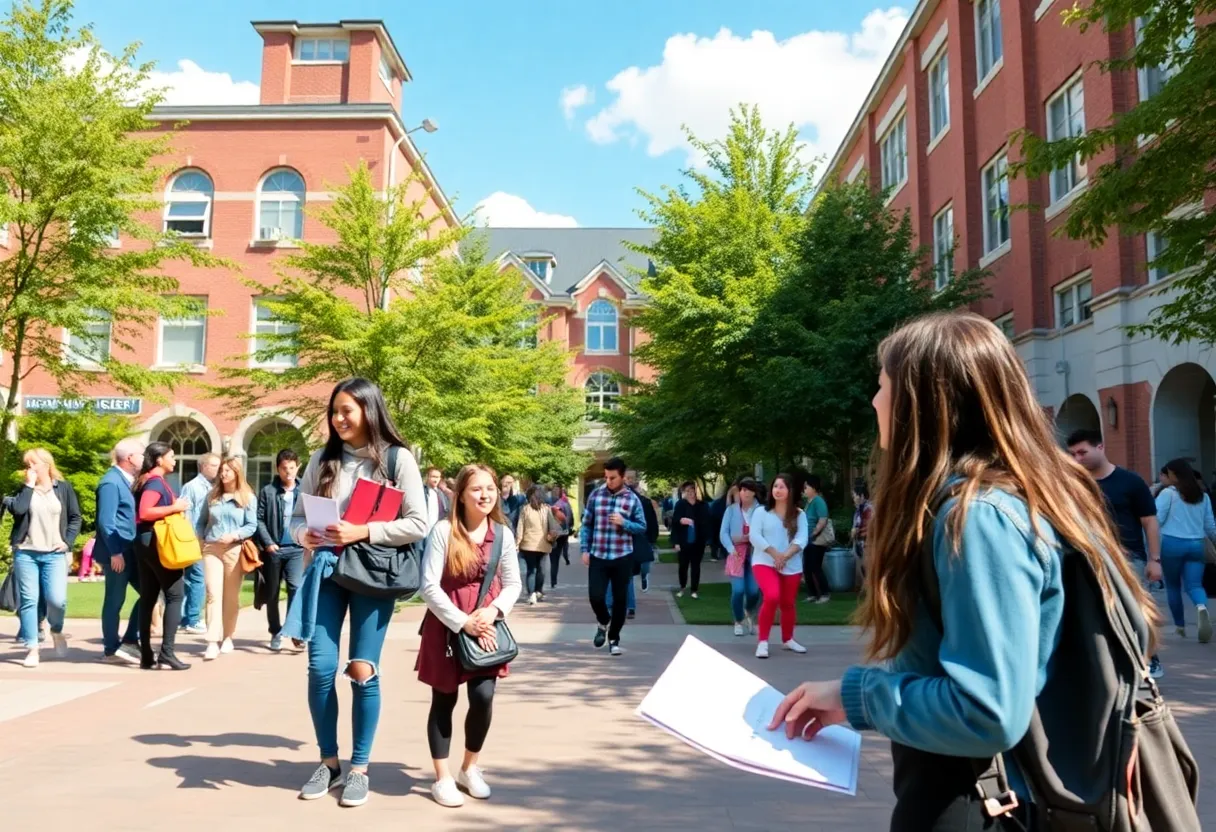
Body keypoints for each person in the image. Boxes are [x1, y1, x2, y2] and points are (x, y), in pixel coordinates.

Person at [768, 312, 1159, 830]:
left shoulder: (978, 517)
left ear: (922, 404)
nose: (874, 401)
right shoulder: (1019, 498)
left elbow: (986, 709)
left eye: (883, 386)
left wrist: (857, 694)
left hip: (987, 799)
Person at [283, 377, 427, 809]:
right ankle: (329, 763)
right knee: (320, 667)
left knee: (363, 669)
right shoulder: (321, 459)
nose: (339, 418)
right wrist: (303, 535)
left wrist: (364, 529)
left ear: (370, 409)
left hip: (373, 574)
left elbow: (418, 523)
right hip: (325, 572)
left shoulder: (398, 460)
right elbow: (295, 517)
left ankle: (360, 768)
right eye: (334, 411)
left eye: (347, 410)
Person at [417, 464, 522, 808]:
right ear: (460, 494)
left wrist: (493, 613)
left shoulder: (502, 534)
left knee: (483, 697)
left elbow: (513, 583)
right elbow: (429, 586)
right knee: (443, 700)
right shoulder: (443, 532)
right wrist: (462, 622)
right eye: (477, 489)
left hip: (485, 628)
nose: (485, 495)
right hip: (447, 625)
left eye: (490, 488)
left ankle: (469, 768)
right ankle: (442, 777)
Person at [1067, 428, 1164, 678]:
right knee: (1097, 613)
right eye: (1073, 454)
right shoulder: (1074, 483)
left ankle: (1150, 657)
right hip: (1088, 558)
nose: (1077, 459)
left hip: (1130, 558)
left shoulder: (1130, 481)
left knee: (1138, 610)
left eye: (1082, 452)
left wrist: (1155, 560)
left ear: (1100, 448)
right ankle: (1111, 665)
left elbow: (1149, 521)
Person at [7, 448, 83, 669]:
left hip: (54, 554)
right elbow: (19, 510)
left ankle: (57, 629)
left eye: (33, 464)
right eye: (27, 464)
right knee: (29, 601)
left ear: (46, 465)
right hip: (26, 552)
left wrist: (67, 541)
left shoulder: (64, 488)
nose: (28, 468)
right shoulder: (24, 490)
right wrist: (29, 486)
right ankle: (32, 647)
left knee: (57, 601)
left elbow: (75, 517)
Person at [133, 442, 193, 671]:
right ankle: (167, 652)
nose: (175, 460)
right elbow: (145, 512)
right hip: (157, 542)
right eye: (171, 456)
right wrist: (175, 507)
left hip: (145, 541)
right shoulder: (155, 483)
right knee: (175, 595)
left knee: (148, 597)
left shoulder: (144, 479)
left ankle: (147, 655)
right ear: (159, 460)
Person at [580, 456, 646, 656]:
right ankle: (603, 621)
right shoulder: (596, 496)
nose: (608, 481)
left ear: (623, 477)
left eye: (613, 478)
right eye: (606, 477)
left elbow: (642, 527)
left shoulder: (632, 499)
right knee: (596, 596)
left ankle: (614, 638)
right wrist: (585, 549)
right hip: (599, 554)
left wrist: (624, 523)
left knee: (620, 600)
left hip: (622, 555)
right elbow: (587, 523)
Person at [200, 457, 257, 661]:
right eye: (222, 470)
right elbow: (201, 521)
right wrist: (200, 541)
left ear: (236, 473)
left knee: (231, 597)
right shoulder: (212, 496)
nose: (223, 474)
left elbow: (252, 525)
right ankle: (212, 641)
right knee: (213, 594)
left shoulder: (248, 498)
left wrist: (235, 535)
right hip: (212, 549)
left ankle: (228, 637)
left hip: (234, 550)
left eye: (227, 470)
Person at [1155, 458, 1216, 643]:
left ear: (1175, 474)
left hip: (1171, 544)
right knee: (1195, 585)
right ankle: (1201, 607)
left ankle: (1180, 627)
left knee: (1173, 586)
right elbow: (1210, 525)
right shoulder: (1202, 496)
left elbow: (1156, 520)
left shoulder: (1168, 494)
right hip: (1196, 545)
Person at [96, 438, 144, 665]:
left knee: (153, 592)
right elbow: (106, 522)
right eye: (141, 454)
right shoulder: (111, 483)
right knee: (115, 600)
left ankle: (129, 641)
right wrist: (115, 553)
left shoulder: (127, 481)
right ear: (130, 458)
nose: (144, 458)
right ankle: (110, 649)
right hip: (118, 553)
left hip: (130, 550)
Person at [749, 474, 808, 659]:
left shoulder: (799, 514)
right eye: (775, 486)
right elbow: (755, 536)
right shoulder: (761, 512)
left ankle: (788, 639)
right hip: (764, 562)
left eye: (782, 487)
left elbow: (802, 538)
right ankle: (763, 642)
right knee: (772, 596)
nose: (778, 490)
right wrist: (775, 554)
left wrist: (786, 555)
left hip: (791, 564)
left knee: (788, 603)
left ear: (790, 491)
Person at [256, 448, 305, 652]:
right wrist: (268, 542)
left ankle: (294, 631)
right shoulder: (268, 491)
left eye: (292, 468)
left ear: (297, 467)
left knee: (295, 588)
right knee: (273, 593)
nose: (288, 473)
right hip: (274, 549)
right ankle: (275, 631)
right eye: (284, 469)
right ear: (278, 469)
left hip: (297, 548)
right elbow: (258, 519)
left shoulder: (304, 490)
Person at [177, 453, 221, 636]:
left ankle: (185, 619)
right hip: (194, 539)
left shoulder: (212, 487)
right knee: (197, 579)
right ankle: (193, 619)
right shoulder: (193, 487)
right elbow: (185, 514)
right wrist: (193, 539)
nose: (217, 469)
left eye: (218, 465)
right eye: (213, 465)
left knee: (191, 579)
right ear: (202, 466)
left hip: (203, 539)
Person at [608, 469, 660, 617]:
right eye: (627, 478)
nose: (629, 481)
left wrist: (650, 541)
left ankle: (621, 604)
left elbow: (651, 525)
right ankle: (624, 605)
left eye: (631, 478)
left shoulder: (642, 501)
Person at [720, 478, 762, 637]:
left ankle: (748, 612)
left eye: (748, 490)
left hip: (755, 554)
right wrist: (731, 547)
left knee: (753, 591)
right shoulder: (731, 510)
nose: (744, 493)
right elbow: (724, 533)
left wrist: (749, 538)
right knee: (738, 590)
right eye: (742, 490)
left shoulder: (760, 511)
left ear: (754, 492)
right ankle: (738, 620)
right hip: (736, 554)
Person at [515, 484, 558, 605]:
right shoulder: (546, 509)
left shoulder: (525, 509)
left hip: (527, 545)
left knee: (531, 570)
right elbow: (552, 526)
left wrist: (517, 542)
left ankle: (531, 594)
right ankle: (539, 591)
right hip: (543, 544)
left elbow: (520, 527)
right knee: (541, 569)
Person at [671, 481, 710, 599]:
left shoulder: (702, 505)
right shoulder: (680, 505)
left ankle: (694, 589)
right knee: (683, 566)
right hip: (684, 541)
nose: (690, 493)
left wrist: (706, 539)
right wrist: (676, 541)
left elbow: (706, 522)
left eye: (692, 491)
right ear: (684, 492)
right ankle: (682, 587)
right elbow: (675, 523)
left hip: (698, 541)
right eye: (687, 491)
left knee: (696, 566)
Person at [801, 475, 831, 603]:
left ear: (813, 487)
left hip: (816, 541)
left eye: (806, 487)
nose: (804, 489)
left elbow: (823, 519)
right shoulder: (810, 502)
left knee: (815, 567)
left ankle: (824, 594)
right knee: (807, 567)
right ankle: (812, 594)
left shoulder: (818, 501)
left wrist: (814, 533)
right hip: (808, 540)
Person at [549, 485, 573, 587]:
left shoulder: (550, 504)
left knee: (553, 558)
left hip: (554, 533)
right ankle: (553, 580)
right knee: (556, 557)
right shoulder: (565, 503)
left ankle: (553, 580)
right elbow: (570, 516)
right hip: (564, 533)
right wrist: (570, 527)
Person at [851, 480, 873, 577]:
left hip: (867, 543)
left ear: (862, 496)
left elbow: (868, 526)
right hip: (861, 543)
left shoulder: (868, 509)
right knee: (864, 569)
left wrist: (856, 530)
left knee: (867, 568)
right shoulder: (860, 509)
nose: (854, 498)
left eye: (855, 495)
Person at [423, 465, 451, 534]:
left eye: (438, 477)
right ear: (428, 477)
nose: (436, 480)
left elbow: (447, 510)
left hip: (436, 531)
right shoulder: (421, 491)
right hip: (423, 530)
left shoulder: (441, 494)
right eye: (433, 477)